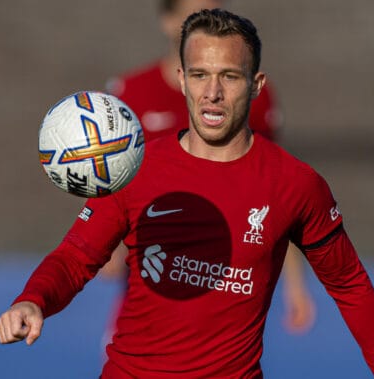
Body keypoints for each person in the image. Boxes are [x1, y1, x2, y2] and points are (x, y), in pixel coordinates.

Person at [0, 8, 374, 378]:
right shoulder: (135, 169)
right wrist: (33, 300)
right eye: (199, 75)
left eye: (229, 76)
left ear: (256, 84)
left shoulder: (296, 184)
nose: (212, 92)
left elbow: (350, 285)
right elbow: (76, 257)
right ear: (181, 79)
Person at [103, 0, 315, 334]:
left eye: (214, 10)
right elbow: (112, 180)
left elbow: (276, 196)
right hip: (149, 287)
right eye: (193, 13)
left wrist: (295, 285)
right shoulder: (131, 93)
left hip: (227, 288)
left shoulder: (249, 98)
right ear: (168, 20)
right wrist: (110, 242)